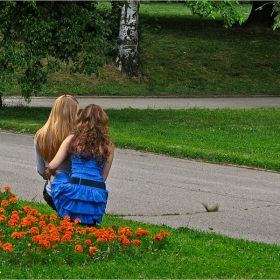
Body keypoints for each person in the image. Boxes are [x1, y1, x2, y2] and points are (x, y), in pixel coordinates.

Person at [45, 104, 114, 225]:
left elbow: (52, 165)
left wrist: (50, 172)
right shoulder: (109, 145)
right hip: (97, 194)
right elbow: (103, 177)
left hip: (75, 188)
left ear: (82, 119)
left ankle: (64, 211)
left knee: (56, 175)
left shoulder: (73, 139)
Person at [34, 95, 79, 210]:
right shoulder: (78, 138)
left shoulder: (40, 136)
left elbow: (41, 171)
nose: (78, 117)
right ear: (69, 115)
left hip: (52, 191)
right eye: (76, 113)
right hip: (75, 192)